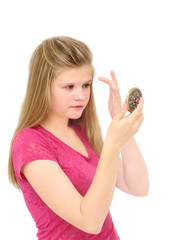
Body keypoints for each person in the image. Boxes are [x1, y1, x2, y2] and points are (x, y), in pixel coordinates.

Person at [8, 36, 149, 240]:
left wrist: (119, 120)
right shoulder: (29, 142)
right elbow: (89, 221)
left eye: (86, 85)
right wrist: (112, 142)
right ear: (43, 88)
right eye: (69, 87)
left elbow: (138, 186)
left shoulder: (81, 132)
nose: (81, 96)